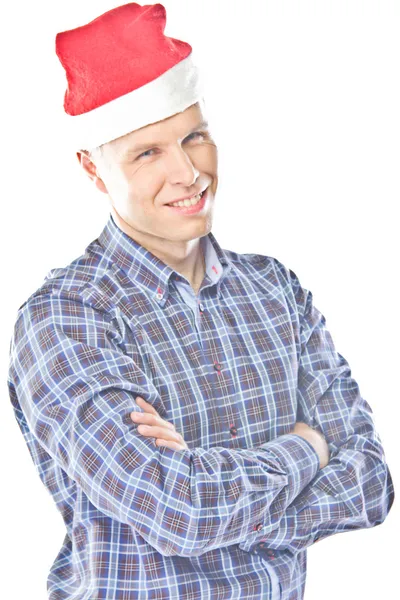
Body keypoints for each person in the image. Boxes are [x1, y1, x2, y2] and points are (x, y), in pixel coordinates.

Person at [7, 3, 394, 600]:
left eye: (194, 137)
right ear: (93, 169)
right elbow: (177, 509)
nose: (188, 173)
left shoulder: (277, 292)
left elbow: (370, 482)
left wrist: (222, 505)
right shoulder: (67, 318)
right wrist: (308, 446)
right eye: (147, 153)